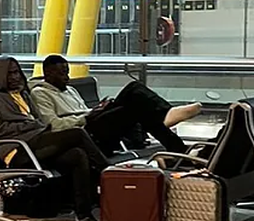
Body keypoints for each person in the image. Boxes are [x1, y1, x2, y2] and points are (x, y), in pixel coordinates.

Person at [0, 56, 107, 221]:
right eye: (10, 74)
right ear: (0, 75)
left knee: (77, 155)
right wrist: (29, 125)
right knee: (77, 134)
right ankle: (109, 172)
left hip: (36, 141)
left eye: (17, 72)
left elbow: (37, 120)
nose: (15, 77)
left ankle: (83, 218)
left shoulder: (22, 93)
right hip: (17, 151)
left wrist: (33, 124)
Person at [31, 54, 201, 156]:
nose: (66, 78)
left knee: (134, 104)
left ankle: (177, 146)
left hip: (93, 120)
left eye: (67, 73)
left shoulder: (70, 90)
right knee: (133, 90)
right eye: (62, 74)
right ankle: (166, 115)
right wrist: (86, 117)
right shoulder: (40, 93)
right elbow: (52, 125)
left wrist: (99, 108)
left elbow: (85, 110)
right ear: (48, 73)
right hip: (85, 131)